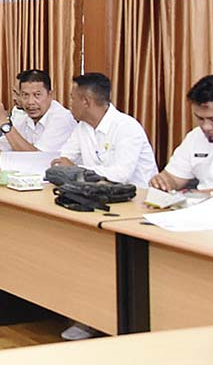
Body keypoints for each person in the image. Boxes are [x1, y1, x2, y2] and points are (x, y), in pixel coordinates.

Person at [52, 73, 158, 341]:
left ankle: (105, 319)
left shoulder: (126, 127)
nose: (69, 103)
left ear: (86, 101)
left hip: (136, 209)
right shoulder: (82, 128)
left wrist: (78, 170)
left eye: (73, 98)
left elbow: (120, 175)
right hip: (98, 202)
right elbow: (62, 161)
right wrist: (77, 170)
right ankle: (88, 315)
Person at [150, 73, 213, 195]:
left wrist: (198, 195)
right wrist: (162, 182)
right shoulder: (195, 137)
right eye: (200, 118)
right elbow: (173, 177)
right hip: (198, 204)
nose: (206, 127)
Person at [0, 69, 76, 161]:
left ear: (50, 95)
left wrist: (4, 123)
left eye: (37, 95)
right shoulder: (22, 116)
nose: (30, 102)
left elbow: (36, 159)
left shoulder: (62, 118)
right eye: (25, 95)